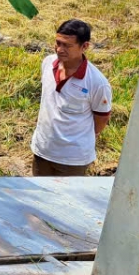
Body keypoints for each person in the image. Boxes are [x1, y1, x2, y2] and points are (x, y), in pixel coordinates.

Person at [31, 19, 112, 176]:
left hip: (72, 159)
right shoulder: (48, 63)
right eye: (58, 43)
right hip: (42, 150)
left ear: (85, 46)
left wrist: (78, 138)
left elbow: (101, 119)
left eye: (67, 45)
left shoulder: (97, 82)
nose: (60, 49)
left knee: (67, 200)